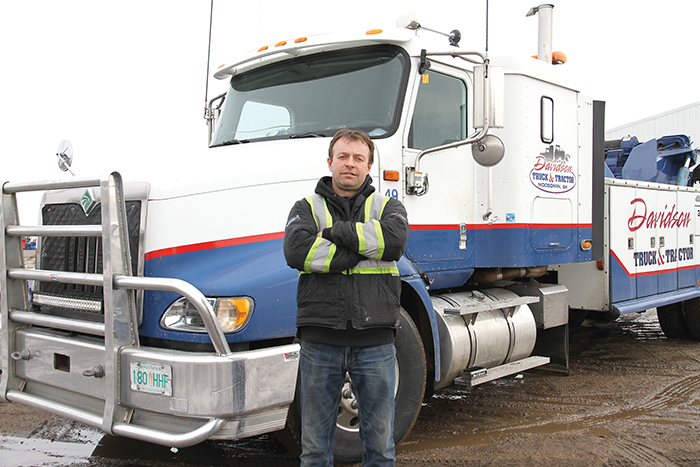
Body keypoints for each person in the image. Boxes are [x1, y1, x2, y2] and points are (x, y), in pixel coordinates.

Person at [283, 129, 409, 466]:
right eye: (343, 157)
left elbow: (394, 243)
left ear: (369, 166)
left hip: (376, 341)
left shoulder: (388, 206)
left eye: (358, 158)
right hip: (320, 339)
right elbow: (297, 252)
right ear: (330, 162)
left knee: (380, 449)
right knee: (313, 450)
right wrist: (361, 248)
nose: (349, 164)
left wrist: (335, 234)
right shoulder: (306, 207)